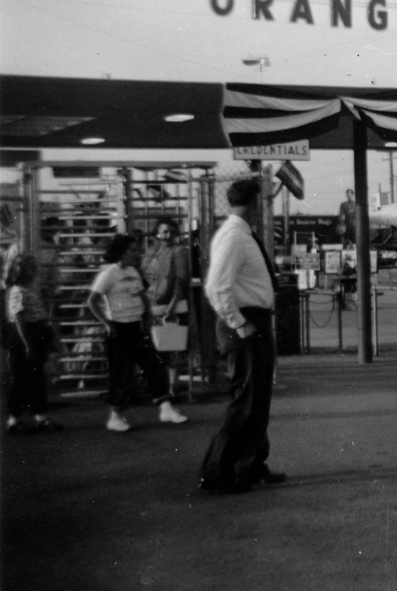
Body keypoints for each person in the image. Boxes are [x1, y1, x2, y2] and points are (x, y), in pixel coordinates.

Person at [199, 178, 285, 494]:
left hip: (255, 321)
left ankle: (250, 464)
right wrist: (238, 323)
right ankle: (217, 472)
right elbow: (216, 287)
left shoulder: (242, 234)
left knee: (258, 401)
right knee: (246, 401)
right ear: (256, 203)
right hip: (245, 323)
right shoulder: (234, 236)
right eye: (263, 201)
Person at [86, 235, 188, 432]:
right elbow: (92, 301)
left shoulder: (134, 272)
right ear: (122, 252)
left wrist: (148, 317)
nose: (137, 254)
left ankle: (166, 407)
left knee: (154, 365)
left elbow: (143, 297)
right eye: (132, 250)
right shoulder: (108, 274)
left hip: (137, 327)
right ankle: (115, 415)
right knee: (122, 373)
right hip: (119, 329)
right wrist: (107, 323)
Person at [5, 253, 63, 433]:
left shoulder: (28, 290)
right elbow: (18, 319)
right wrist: (28, 344)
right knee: (21, 380)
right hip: (25, 337)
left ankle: (40, 417)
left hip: (34, 335)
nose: (37, 271)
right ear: (25, 271)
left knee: (36, 378)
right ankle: (15, 419)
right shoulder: (17, 291)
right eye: (33, 268)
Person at [143, 217, 192, 390]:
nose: (168, 235)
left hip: (171, 306)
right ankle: (162, 386)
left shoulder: (179, 251)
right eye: (165, 231)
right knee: (157, 349)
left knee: (172, 349)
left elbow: (180, 281)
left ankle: (171, 387)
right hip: (154, 305)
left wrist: (172, 305)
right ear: (157, 233)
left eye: (172, 232)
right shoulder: (152, 251)